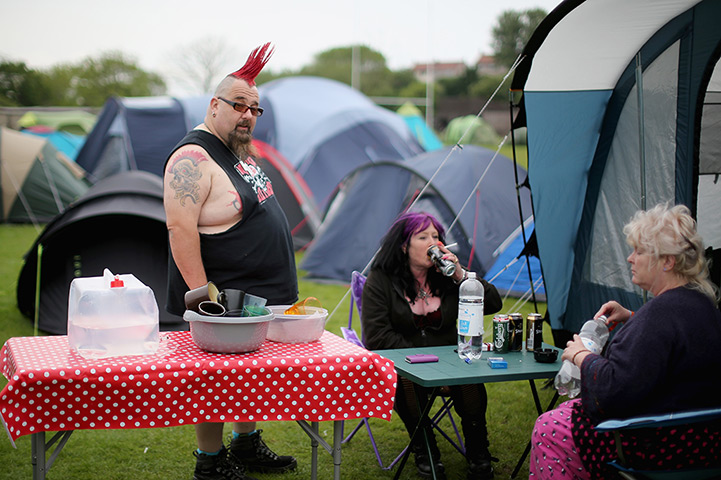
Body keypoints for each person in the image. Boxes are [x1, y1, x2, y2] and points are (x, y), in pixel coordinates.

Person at [163, 43, 299, 480]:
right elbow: (180, 230)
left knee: (245, 378)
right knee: (216, 379)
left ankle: (243, 443)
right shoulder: (192, 158)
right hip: (223, 296)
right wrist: (203, 297)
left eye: (255, 109)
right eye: (238, 105)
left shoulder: (238, 149)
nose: (248, 115)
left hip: (258, 292)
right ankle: (210, 461)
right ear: (214, 105)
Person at [529, 203, 721, 479]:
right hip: (700, 440)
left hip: (656, 445)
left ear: (667, 261)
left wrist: (581, 355)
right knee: (567, 410)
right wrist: (633, 317)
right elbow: (675, 340)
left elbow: (614, 390)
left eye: (639, 251)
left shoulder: (660, 315)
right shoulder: (701, 304)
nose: (630, 258)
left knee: (550, 427)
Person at [361, 211, 503, 480]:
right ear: (404, 245)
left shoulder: (446, 278)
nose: (432, 243)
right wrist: (425, 362)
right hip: (407, 364)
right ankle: (425, 449)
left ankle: (478, 452)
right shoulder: (381, 279)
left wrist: (461, 275)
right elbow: (377, 337)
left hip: (453, 362)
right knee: (406, 382)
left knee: (468, 375)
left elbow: (494, 304)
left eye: (436, 237)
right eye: (422, 236)